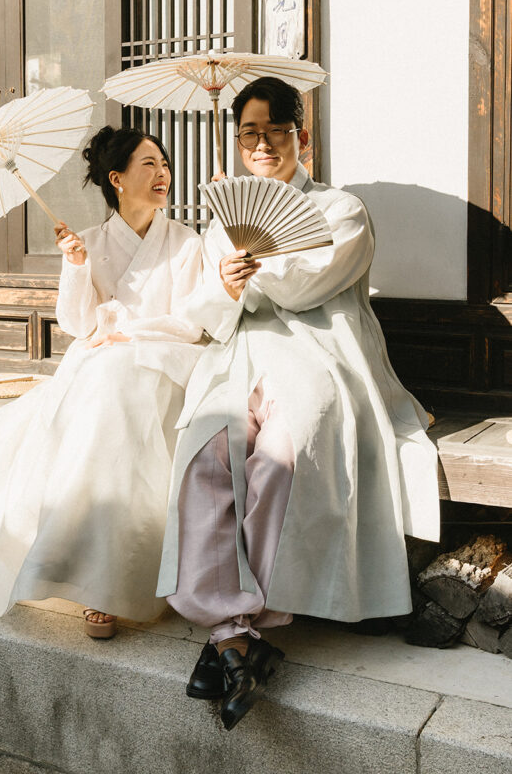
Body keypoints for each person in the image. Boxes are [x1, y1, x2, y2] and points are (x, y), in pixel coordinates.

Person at [156, 77, 440, 729]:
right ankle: (234, 640)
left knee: (284, 451)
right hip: (238, 354)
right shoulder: (220, 225)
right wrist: (224, 284)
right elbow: (201, 310)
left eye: (273, 132)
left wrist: (252, 264)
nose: (260, 145)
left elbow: (311, 284)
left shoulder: (341, 210)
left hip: (319, 348)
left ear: (299, 137)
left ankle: (233, 631)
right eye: (248, 133)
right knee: (205, 456)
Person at [0, 125, 204, 638]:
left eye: (164, 164)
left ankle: (112, 577)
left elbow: (192, 322)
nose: (163, 173)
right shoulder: (92, 242)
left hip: (167, 356)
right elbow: (79, 324)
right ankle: (88, 577)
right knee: (99, 392)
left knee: (115, 380)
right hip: (104, 361)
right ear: (117, 179)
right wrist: (77, 267)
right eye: (149, 165)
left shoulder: (187, 243)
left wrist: (129, 329)